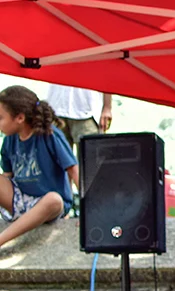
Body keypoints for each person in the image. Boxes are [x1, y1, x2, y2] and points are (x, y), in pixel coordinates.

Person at [0, 86, 79, 247]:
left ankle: (2, 240)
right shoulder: (9, 140)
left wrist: (88, 213)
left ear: (20, 118)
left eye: (0, 117)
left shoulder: (50, 135)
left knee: (54, 200)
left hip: (49, 205)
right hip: (21, 201)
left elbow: (74, 170)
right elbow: (7, 177)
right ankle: (22, 221)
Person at [45, 85, 112, 158]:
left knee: (89, 161)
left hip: (86, 112)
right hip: (57, 108)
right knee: (56, 161)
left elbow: (108, 75)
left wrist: (107, 107)